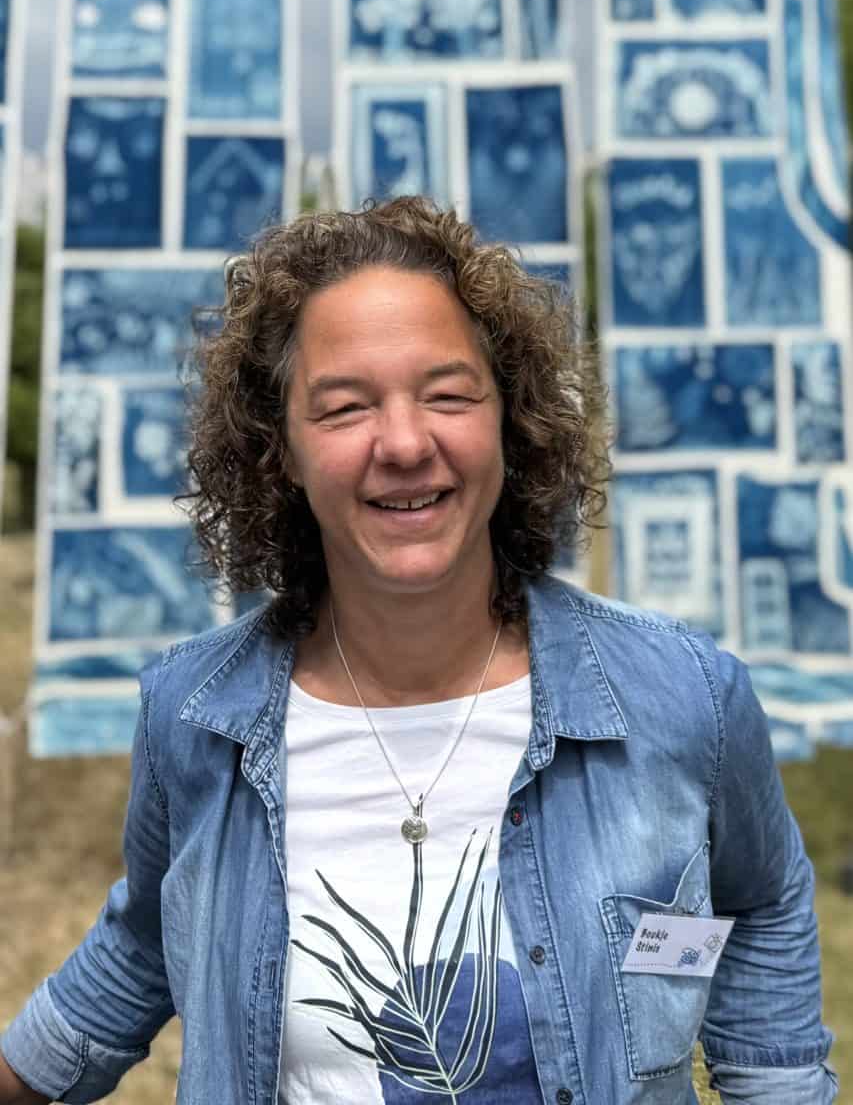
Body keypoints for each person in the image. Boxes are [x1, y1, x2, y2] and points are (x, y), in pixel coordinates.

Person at [0, 197, 838, 1104]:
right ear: (280, 450)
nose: (404, 443)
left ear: (509, 420)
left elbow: (756, 904)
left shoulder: (680, 698)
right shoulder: (194, 717)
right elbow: (144, 944)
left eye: (447, 394)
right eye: (344, 407)